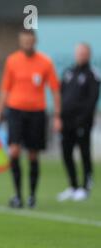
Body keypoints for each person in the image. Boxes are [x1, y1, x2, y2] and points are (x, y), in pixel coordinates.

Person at [0, 29, 62, 209]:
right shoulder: (12, 61)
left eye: (30, 41)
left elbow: (55, 89)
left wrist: (57, 116)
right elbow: (5, 90)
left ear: (34, 41)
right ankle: (17, 195)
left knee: (32, 154)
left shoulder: (45, 62)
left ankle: (32, 195)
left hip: (37, 113)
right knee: (13, 151)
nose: (27, 44)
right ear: (20, 42)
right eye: (24, 41)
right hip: (15, 111)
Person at [57, 43, 100, 201]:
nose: (81, 55)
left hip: (82, 121)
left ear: (88, 55)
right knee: (66, 153)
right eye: (79, 52)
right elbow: (61, 95)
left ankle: (85, 187)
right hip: (66, 121)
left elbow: (92, 99)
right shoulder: (68, 72)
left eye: (84, 53)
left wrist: (83, 118)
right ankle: (73, 185)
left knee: (84, 153)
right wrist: (59, 116)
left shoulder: (92, 74)